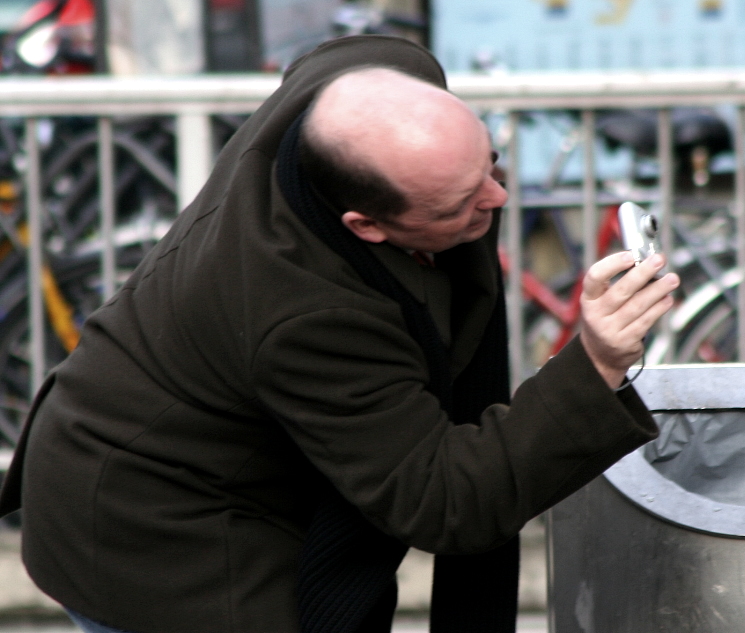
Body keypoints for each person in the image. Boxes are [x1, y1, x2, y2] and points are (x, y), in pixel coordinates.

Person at [0, 36, 679, 633]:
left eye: (490, 163)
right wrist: (593, 362)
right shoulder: (308, 314)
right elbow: (445, 496)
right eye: (458, 203)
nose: (498, 200)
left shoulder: (376, 72)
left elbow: (337, 58)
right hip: (152, 529)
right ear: (365, 226)